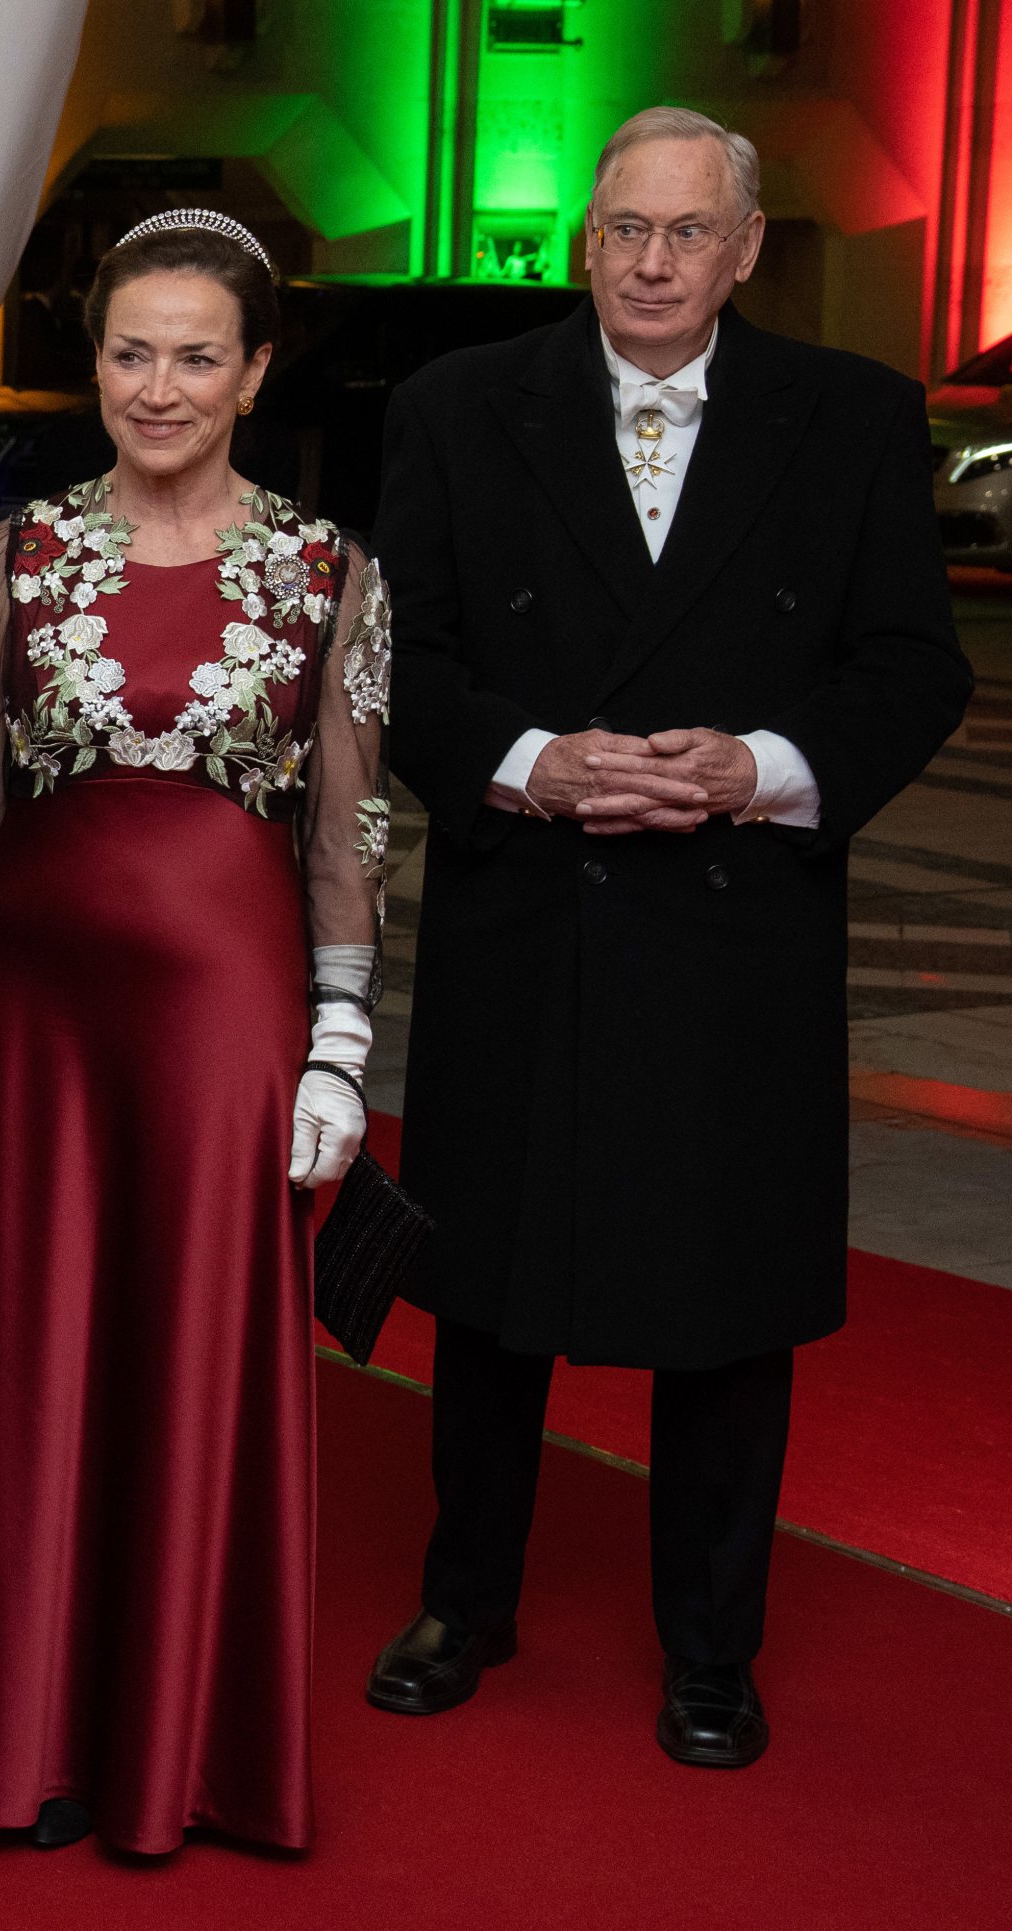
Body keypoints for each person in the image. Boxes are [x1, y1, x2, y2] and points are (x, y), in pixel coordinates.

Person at [367, 108, 972, 1765]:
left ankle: (714, 1651)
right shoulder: (459, 407)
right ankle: (463, 1603)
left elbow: (915, 666)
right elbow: (390, 660)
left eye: (684, 233)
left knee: (728, 1309)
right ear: (584, 242)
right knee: (489, 1296)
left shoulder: (849, 418)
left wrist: (760, 770)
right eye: (623, 228)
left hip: (736, 933)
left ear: (748, 247)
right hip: (522, 918)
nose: (648, 262)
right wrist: (532, 763)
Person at [0, 210, 389, 1853]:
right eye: (130, 352)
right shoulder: (22, 551)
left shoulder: (328, 569)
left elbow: (350, 830)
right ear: (95, 364)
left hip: (227, 1019)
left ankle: (176, 1745)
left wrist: (340, 1045)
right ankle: (12, 1734)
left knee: (183, 1363)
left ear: (254, 372)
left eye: (196, 355)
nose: (159, 386)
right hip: (36, 1019)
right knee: (28, 1363)